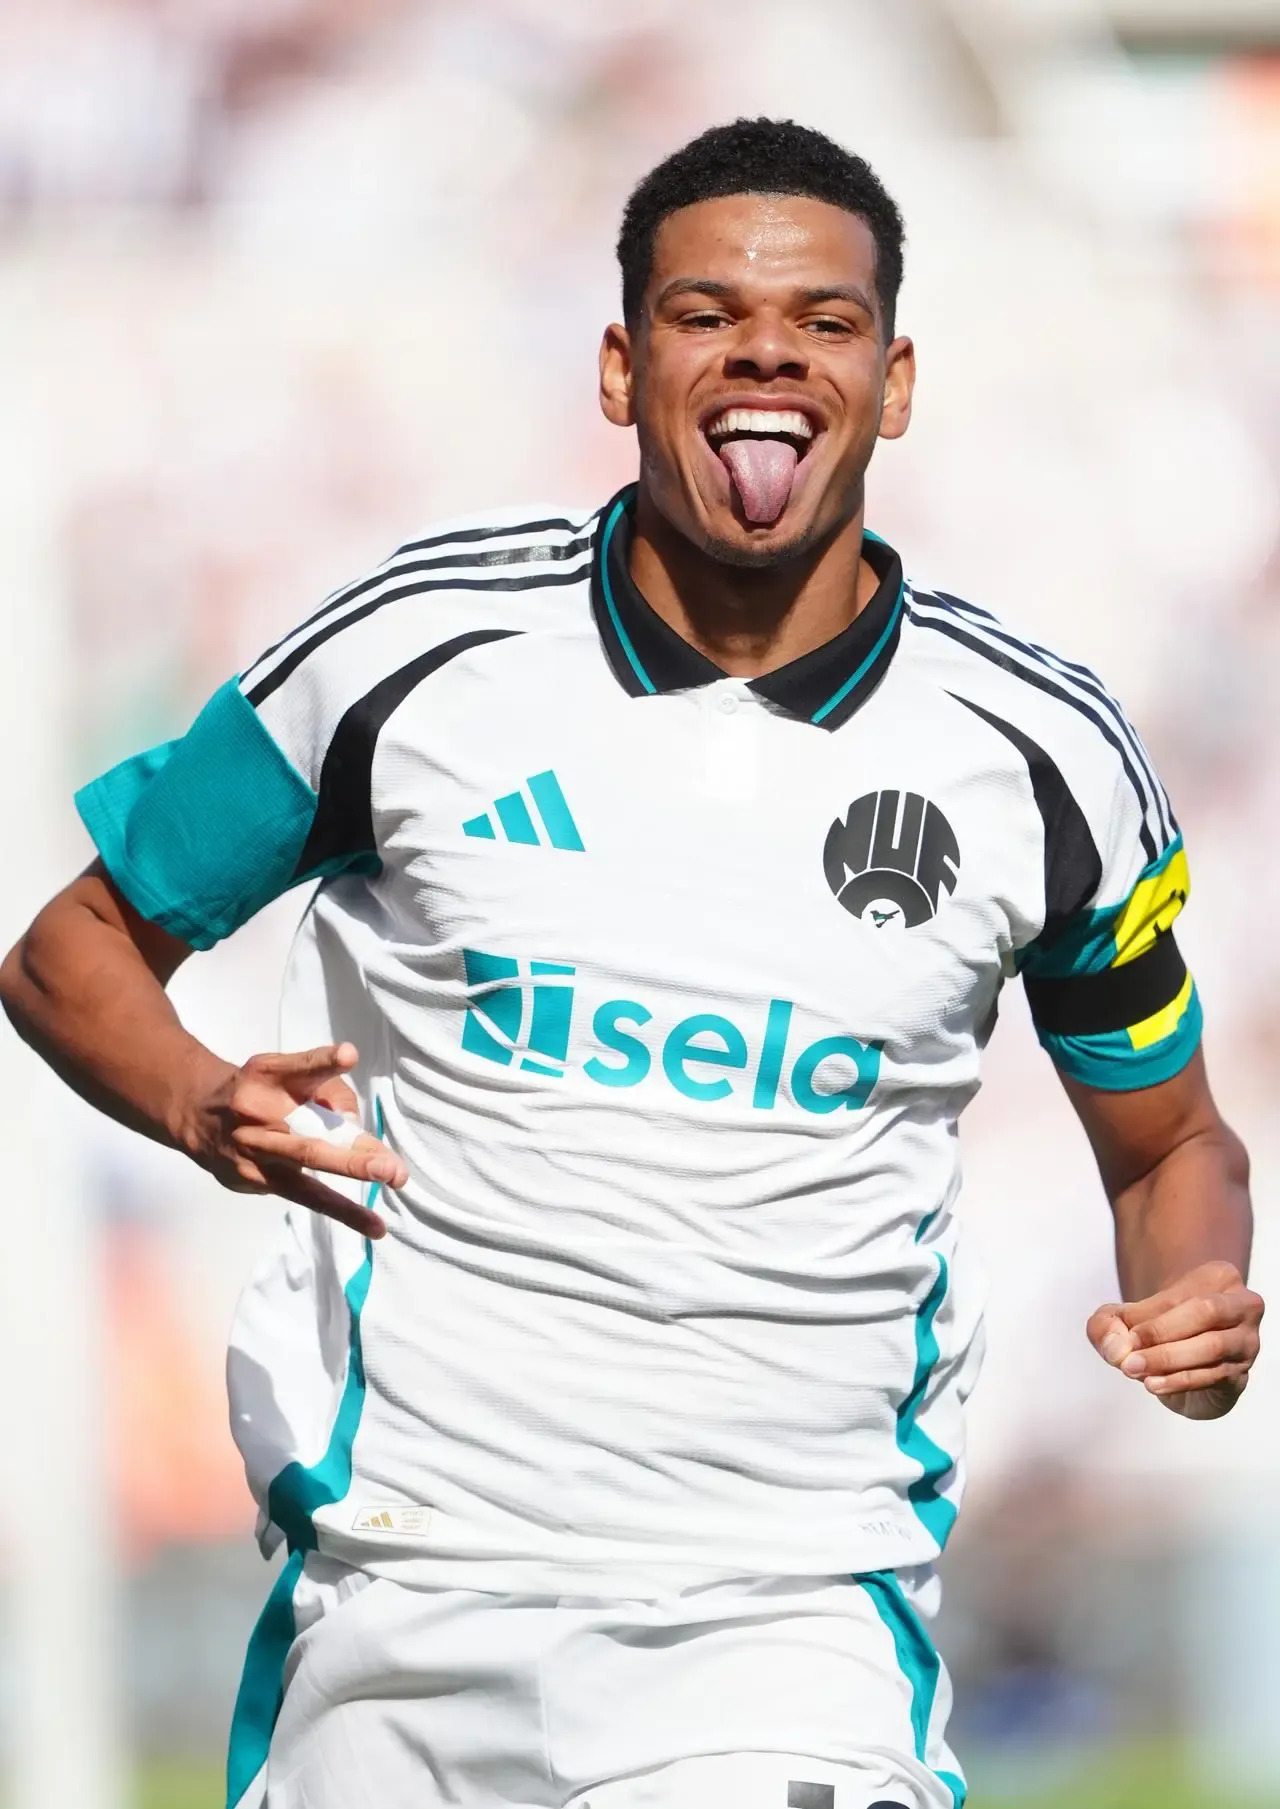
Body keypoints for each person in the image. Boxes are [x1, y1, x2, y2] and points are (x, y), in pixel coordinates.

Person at [1, 118, 1263, 1809]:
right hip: (403, 1606)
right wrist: (197, 1097)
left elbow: (1171, 1142)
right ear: (619, 365)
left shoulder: (1038, 753)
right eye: (704, 313)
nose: (765, 349)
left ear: (893, 385)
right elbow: (74, 945)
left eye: (824, 322)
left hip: (784, 1624)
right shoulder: (412, 651)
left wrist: (1193, 1299)